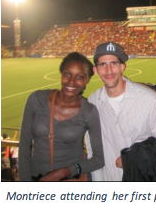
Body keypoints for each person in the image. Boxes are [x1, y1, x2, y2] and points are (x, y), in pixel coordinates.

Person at [85, 42, 156, 181]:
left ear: (122, 67)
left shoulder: (150, 99)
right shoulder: (93, 101)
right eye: (103, 65)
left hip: (141, 180)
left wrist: (132, 158)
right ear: (95, 70)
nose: (109, 70)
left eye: (114, 63)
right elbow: (91, 146)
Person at [19, 52, 104, 181]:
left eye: (79, 77)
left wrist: (64, 172)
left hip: (70, 180)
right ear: (61, 74)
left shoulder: (89, 111)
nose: (71, 81)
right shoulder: (36, 99)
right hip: (36, 178)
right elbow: (24, 145)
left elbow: (99, 159)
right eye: (67, 74)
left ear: (87, 80)